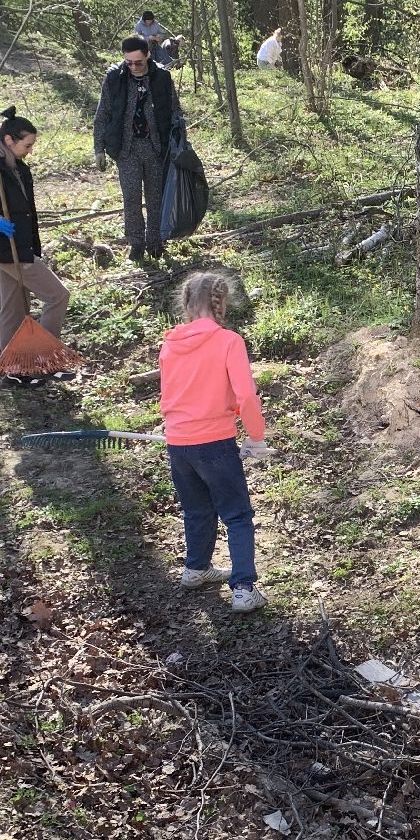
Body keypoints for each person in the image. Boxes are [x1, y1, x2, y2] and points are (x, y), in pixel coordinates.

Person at [160, 271, 270, 613]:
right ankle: (243, 589)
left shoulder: (170, 343)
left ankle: (196, 568)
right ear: (221, 301)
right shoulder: (229, 341)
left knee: (197, 508)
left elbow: (173, 393)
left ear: (186, 303)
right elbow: (246, 396)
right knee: (237, 514)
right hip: (215, 443)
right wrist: (256, 436)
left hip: (178, 442)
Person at [0, 107, 70, 385]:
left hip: (18, 244)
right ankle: (45, 361)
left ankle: (16, 370)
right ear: (9, 140)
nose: (30, 151)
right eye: (27, 145)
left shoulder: (14, 166)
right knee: (58, 296)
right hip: (5, 248)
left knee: (14, 307)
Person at [93, 36, 183, 260]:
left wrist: (179, 144)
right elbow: (102, 113)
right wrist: (99, 148)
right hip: (126, 149)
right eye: (129, 62)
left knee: (156, 198)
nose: (133, 67)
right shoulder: (114, 78)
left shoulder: (162, 77)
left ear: (148, 55)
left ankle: (155, 242)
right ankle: (136, 244)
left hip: (156, 148)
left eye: (138, 62)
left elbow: (175, 111)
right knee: (131, 199)